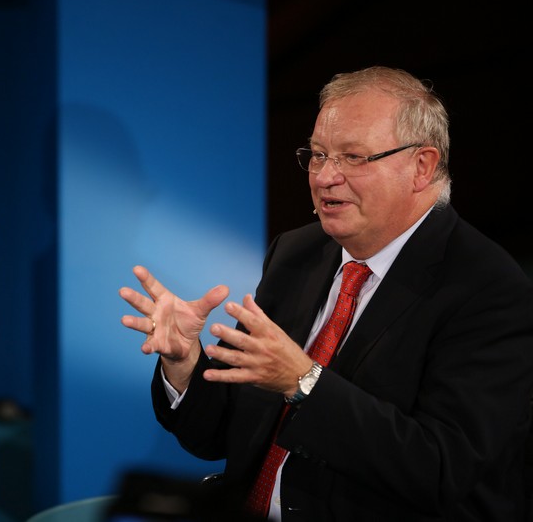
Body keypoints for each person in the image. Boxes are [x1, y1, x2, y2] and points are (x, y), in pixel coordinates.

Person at [120, 66, 533, 521]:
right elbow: (218, 435)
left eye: (353, 157)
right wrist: (184, 363)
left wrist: (305, 383)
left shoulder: (487, 288)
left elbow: (441, 470)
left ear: (422, 166)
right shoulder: (296, 253)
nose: (324, 177)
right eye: (318, 155)